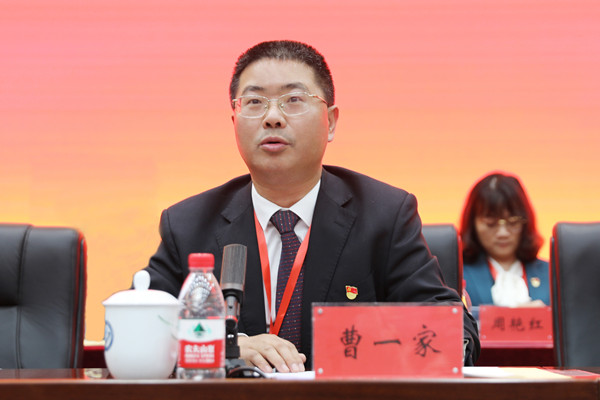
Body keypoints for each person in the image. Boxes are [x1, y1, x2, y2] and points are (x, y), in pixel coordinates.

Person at [141, 40, 480, 373]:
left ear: (330, 122)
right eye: (255, 102)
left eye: (293, 100)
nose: (273, 117)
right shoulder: (187, 224)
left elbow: (449, 328)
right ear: (234, 122)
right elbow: (140, 331)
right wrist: (224, 346)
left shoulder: (384, 214)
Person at [460, 172, 549, 307]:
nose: (503, 233)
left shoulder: (553, 274)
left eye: (513, 222)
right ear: (473, 223)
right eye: (491, 223)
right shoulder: (457, 275)